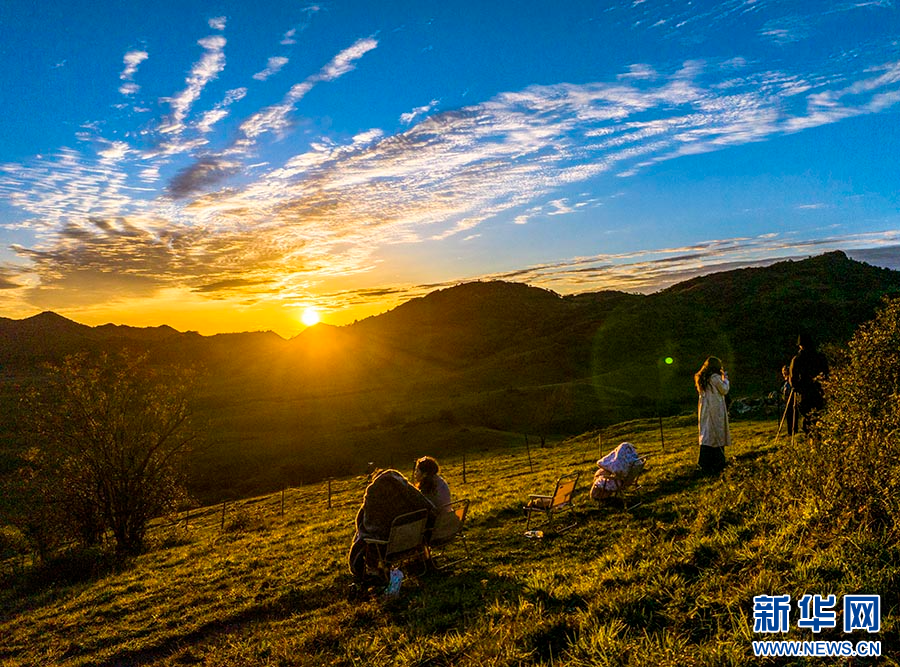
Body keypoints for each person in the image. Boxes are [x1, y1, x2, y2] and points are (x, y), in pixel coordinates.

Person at [348, 469, 435, 584]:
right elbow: (428, 507)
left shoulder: (374, 495)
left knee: (368, 541)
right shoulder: (408, 491)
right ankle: (423, 560)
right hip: (414, 540)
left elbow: (370, 526)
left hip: (390, 547)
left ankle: (375, 573)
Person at [694, 356, 731, 473]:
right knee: (716, 433)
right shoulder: (715, 378)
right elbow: (724, 389)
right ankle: (717, 461)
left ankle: (705, 462)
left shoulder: (701, 378)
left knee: (707, 434)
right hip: (715, 409)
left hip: (705, 409)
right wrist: (725, 379)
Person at [789, 333, 829, 433]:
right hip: (819, 392)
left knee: (808, 417)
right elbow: (826, 374)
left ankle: (811, 440)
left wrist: (798, 389)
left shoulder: (797, 359)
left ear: (800, 345)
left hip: (805, 393)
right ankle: (818, 439)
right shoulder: (820, 357)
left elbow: (793, 379)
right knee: (818, 416)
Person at [779, 364, 796, 437]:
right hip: (787, 400)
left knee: (791, 415)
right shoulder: (786, 381)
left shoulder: (790, 380)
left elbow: (787, 390)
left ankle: (792, 431)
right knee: (790, 416)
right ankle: (791, 431)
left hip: (791, 399)